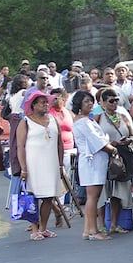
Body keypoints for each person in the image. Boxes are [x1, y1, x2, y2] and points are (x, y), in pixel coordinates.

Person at [16, 91, 63, 241]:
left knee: (49, 196)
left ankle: (43, 228)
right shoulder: (25, 122)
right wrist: (23, 167)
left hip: (51, 162)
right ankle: (34, 229)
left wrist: (61, 164)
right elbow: (20, 146)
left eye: (46, 102)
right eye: (42, 102)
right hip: (33, 164)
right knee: (33, 196)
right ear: (33, 105)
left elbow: (59, 143)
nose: (45, 105)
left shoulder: (53, 120)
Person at [71, 90, 118, 241]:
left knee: (94, 197)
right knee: (93, 197)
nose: (90, 104)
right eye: (86, 101)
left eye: (91, 101)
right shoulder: (83, 122)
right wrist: (114, 149)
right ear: (79, 104)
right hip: (92, 161)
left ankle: (87, 229)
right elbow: (98, 142)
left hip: (94, 161)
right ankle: (93, 230)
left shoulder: (86, 119)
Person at [95, 89, 133, 235]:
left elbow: (131, 135)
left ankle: (114, 224)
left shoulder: (123, 117)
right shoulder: (98, 118)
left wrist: (127, 141)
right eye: (111, 101)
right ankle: (101, 225)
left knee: (118, 191)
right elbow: (96, 138)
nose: (115, 103)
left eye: (117, 100)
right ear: (103, 103)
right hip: (105, 158)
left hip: (121, 158)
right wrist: (110, 143)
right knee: (102, 192)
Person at [49, 88, 75, 228]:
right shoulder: (49, 113)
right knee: (59, 176)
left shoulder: (67, 112)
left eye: (57, 98)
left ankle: (65, 202)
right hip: (56, 149)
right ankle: (58, 202)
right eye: (52, 98)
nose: (54, 101)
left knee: (68, 177)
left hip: (69, 148)